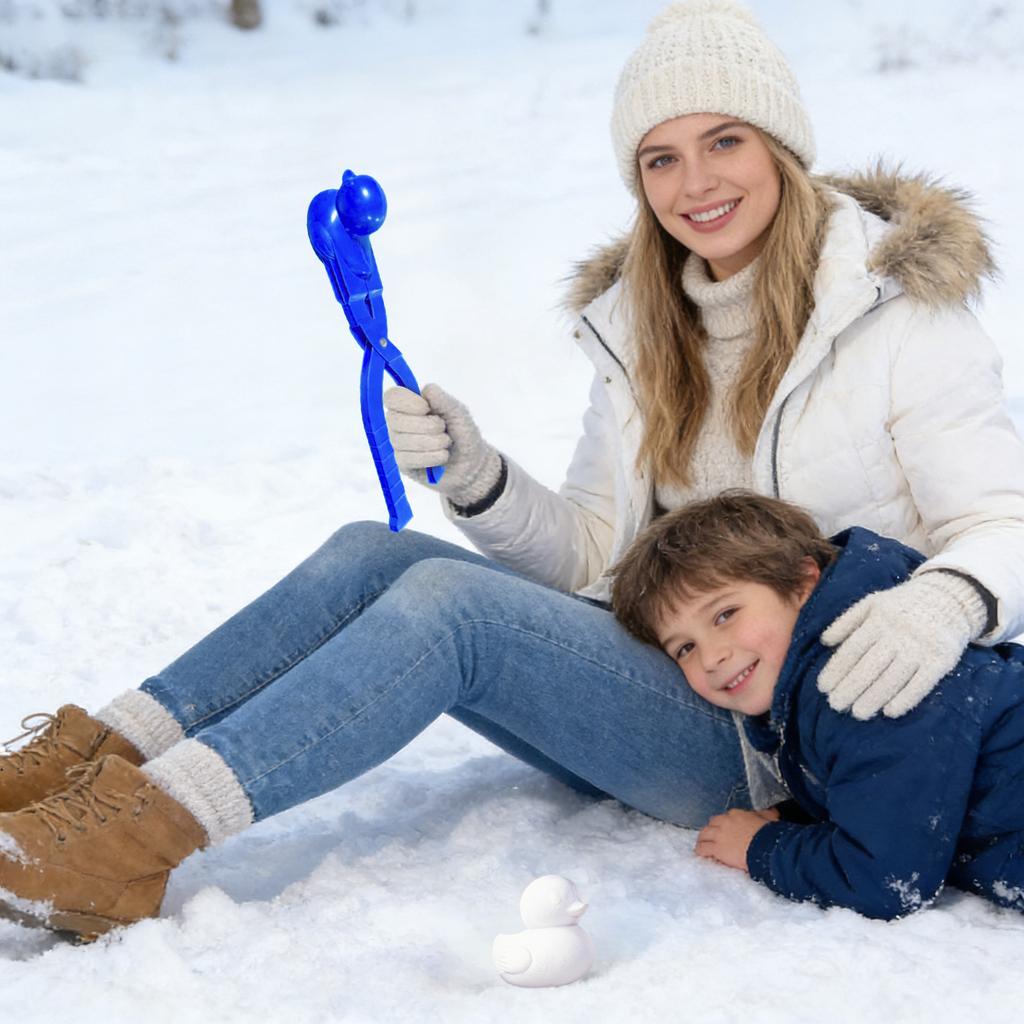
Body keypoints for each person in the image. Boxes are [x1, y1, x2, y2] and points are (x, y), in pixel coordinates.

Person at [2, 0, 1023, 939]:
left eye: (724, 141)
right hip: (680, 663)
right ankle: (83, 765)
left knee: (454, 610)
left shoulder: (896, 311)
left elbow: (1004, 521)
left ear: (782, 148)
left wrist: (944, 603)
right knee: (371, 551)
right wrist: (476, 473)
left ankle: (131, 844)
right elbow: (592, 553)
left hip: (811, 732)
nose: (696, 183)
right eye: (660, 159)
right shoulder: (641, 324)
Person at [610, 491, 1024, 921]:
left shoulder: (866, 680)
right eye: (685, 648)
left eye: (724, 614)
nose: (711, 657)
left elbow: (885, 879)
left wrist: (761, 847)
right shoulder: (815, 684)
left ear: (802, 583)